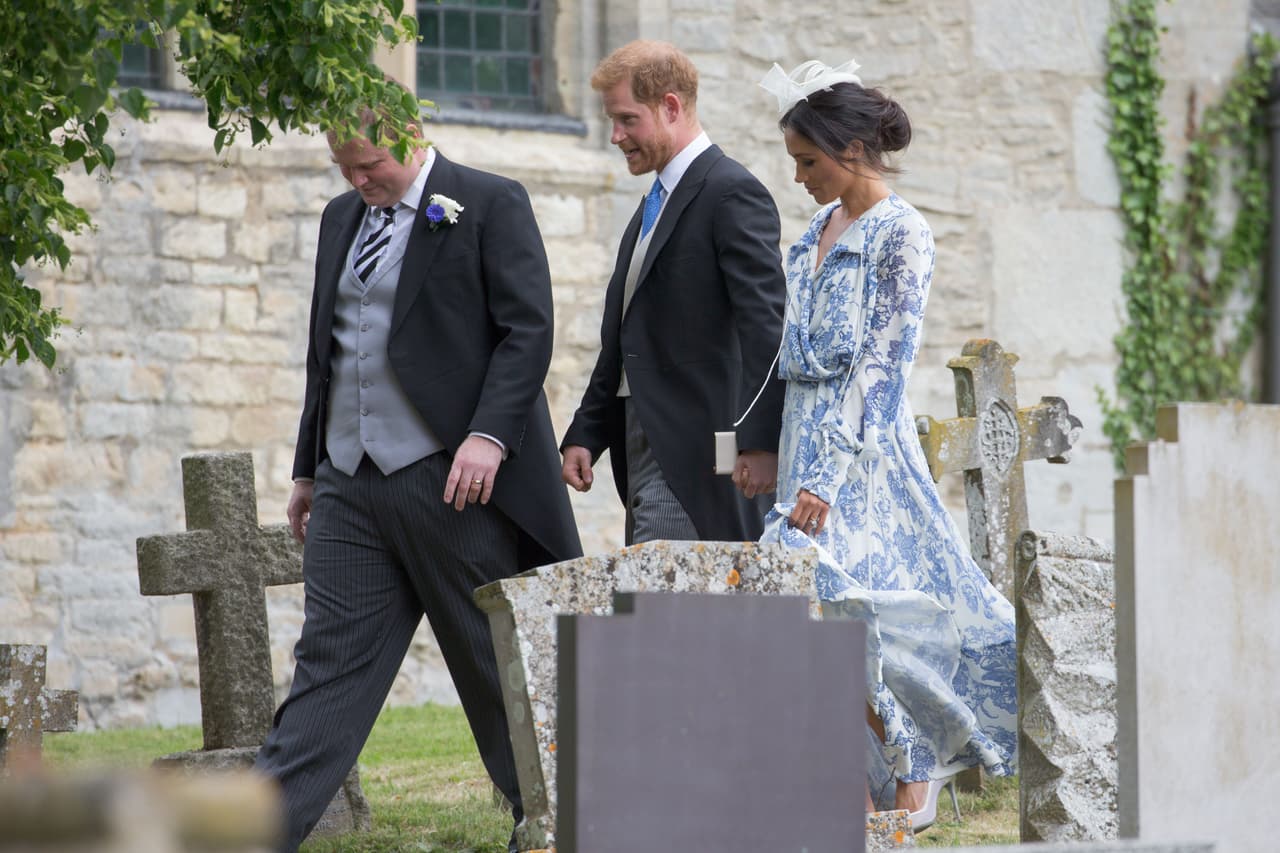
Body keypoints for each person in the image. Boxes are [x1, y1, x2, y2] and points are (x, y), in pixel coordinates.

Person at [253, 94, 582, 853]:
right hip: (348, 482)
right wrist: (308, 466)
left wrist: (489, 436)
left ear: (408, 138)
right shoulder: (342, 219)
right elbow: (328, 351)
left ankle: (563, 824)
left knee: (494, 665)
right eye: (346, 168)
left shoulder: (491, 203)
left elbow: (527, 331)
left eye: (370, 166)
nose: (359, 181)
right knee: (327, 669)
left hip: (453, 482)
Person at [755, 60, 1016, 828]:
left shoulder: (904, 234)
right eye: (794, 163)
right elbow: (786, 354)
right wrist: (768, 451)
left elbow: (882, 366)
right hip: (803, 440)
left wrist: (828, 477)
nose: (799, 177)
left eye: (810, 161)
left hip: (862, 454)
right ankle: (860, 780)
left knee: (841, 604)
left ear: (856, 149)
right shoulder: (812, 232)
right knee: (808, 611)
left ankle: (913, 766)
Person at [560, 40, 787, 544]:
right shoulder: (651, 206)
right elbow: (626, 335)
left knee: (665, 606)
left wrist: (760, 441)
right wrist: (586, 431)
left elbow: (766, 330)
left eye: (626, 119)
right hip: (639, 438)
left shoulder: (731, 192)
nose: (616, 136)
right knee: (666, 605)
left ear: (670, 107)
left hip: (697, 450)